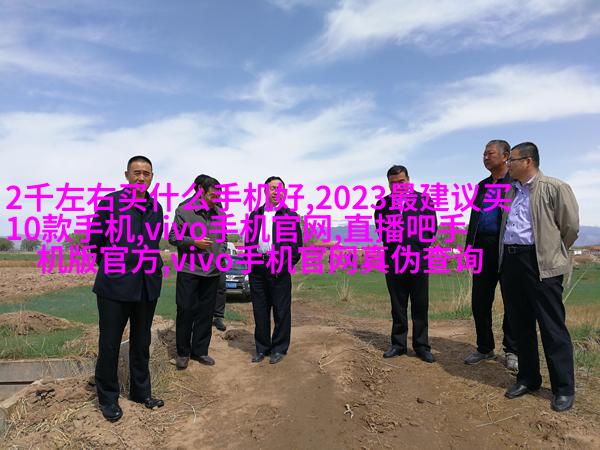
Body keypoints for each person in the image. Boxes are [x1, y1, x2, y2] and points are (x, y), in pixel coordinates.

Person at [500, 142, 579, 412]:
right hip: (512, 262)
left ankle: (563, 388)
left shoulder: (555, 188)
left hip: (540, 263)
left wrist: (551, 251)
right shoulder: (510, 191)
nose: (508, 165)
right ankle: (528, 378)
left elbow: (570, 227)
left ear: (528, 161)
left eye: (512, 160)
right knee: (520, 323)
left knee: (552, 326)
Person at [90, 155, 164, 422]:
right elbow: (95, 241)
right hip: (114, 286)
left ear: (152, 177)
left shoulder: (156, 207)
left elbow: (153, 241)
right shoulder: (110, 203)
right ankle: (108, 398)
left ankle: (141, 393)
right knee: (109, 344)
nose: (141, 177)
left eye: (146, 173)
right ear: (126, 176)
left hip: (147, 285)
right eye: (136, 172)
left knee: (141, 342)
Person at [464, 140, 518, 369]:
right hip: (481, 247)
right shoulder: (482, 186)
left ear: (505, 156)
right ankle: (484, 347)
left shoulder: (515, 183)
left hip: (507, 247)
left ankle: (512, 350)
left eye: (490, 153)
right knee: (480, 300)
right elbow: (474, 218)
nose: (486, 157)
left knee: (512, 301)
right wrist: (469, 246)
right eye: (484, 154)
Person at [374, 165, 437, 363]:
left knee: (420, 305)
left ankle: (421, 346)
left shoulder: (424, 200)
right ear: (388, 184)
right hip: (393, 261)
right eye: (393, 183)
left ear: (408, 180)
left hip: (418, 260)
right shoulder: (382, 204)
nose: (398, 186)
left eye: (401, 181)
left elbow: (431, 229)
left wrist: (416, 246)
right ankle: (398, 345)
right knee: (397, 306)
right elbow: (381, 231)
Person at [169, 174, 226, 369]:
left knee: (206, 313)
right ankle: (183, 353)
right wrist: (194, 242)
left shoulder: (220, 213)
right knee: (186, 311)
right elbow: (173, 236)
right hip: (190, 270)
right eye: (213, 195)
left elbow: (223, 238)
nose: (217, 198)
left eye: (219, 195)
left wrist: (221, 254)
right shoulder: (185, 210)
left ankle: (200, 351)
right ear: (201, 192)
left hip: (212, 272)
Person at [245, 176, 302, 364]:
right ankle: (262, 348)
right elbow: (248, 241)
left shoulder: (290, 216)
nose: (276, 192)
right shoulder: (255, 215)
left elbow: (296, 247)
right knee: (260, 310)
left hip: (279, 268)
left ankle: (279, 348)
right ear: (265, 191)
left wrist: (286, 264)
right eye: (272, 188)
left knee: (281, 310)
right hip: (257, 268)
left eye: (279, 188)